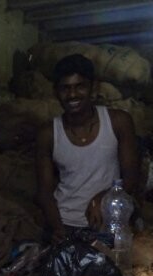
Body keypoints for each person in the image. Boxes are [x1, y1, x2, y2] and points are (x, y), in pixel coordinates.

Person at [36, 53, 139, 244]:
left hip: (109, 225)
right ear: (55, 92)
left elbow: (132, 177)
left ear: (94, 87)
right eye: (65, 88)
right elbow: (44, 191)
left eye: (80, 86)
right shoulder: (48, 134)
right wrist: (58, 229)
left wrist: (103, 198)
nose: (72, 95)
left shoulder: (118, 122)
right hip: (66, 223)